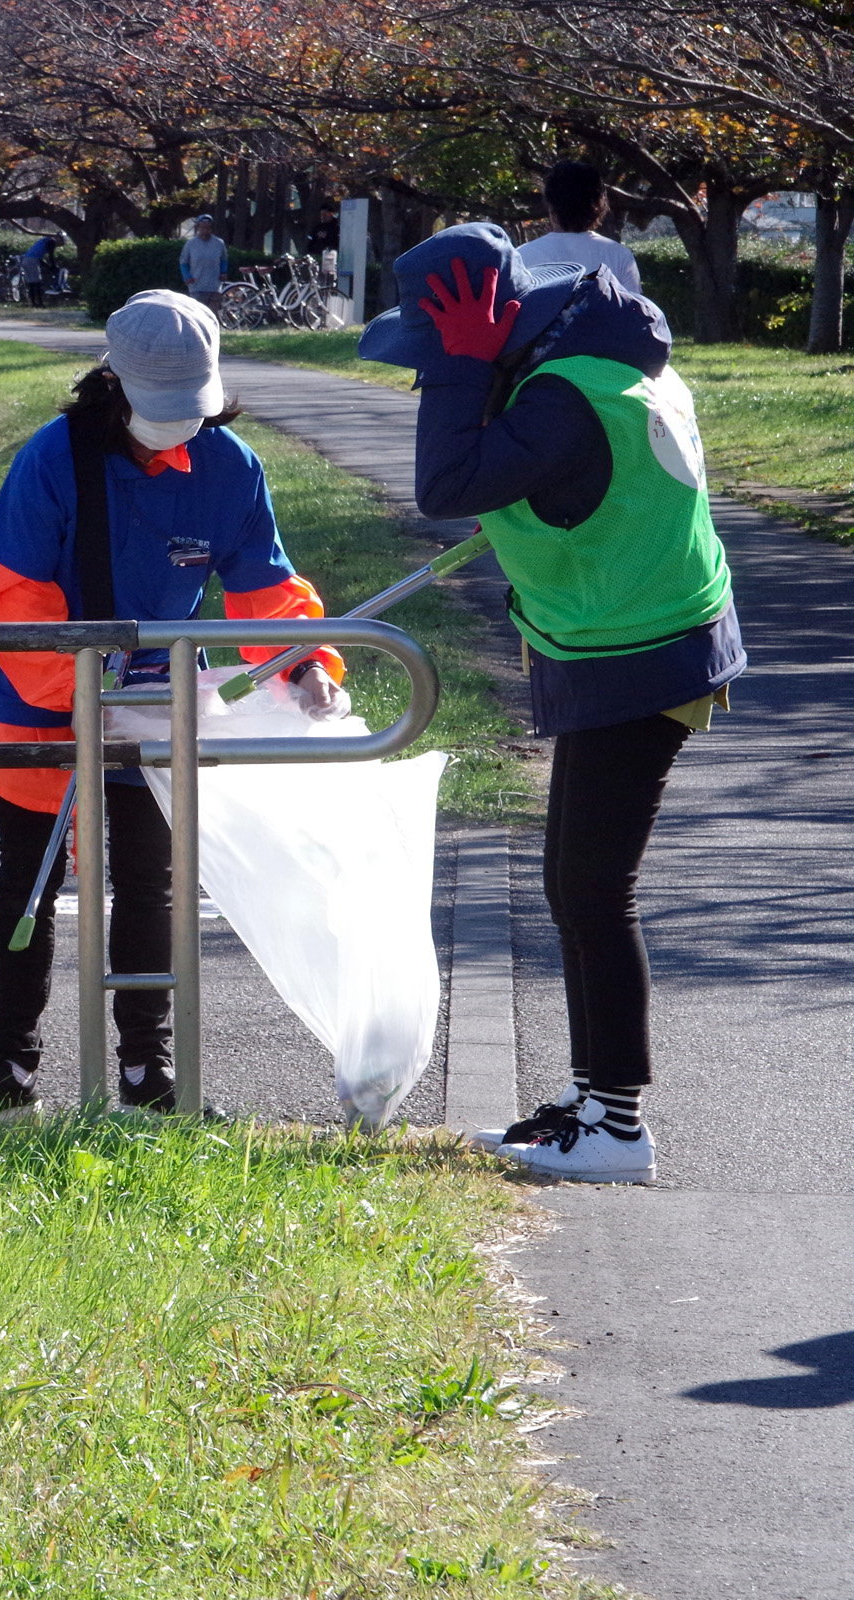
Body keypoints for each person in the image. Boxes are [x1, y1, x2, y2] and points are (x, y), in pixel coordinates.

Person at [362, 222, 740, 1181]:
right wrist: (474, 368)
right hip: (625, 639)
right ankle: (591, 1098)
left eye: (429, 355)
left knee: (592, 891)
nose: (424, 380)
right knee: (572, 886)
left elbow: (445, 483)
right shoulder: (586, 359)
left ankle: (617, 1127)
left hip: (646, 650)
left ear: (490, 331)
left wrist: (462, 369)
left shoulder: (564, 394)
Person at [0, 290, 350, 1113]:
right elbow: (7, 594)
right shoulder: (51, 459)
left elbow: (266, 589)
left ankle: (147, 1069)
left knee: (151, 879)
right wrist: (74, 691)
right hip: (41, 705)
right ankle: (11, 1067)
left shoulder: (230, 466)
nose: (178, 425)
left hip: (157, 705)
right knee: (27, 877)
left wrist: (304, 663)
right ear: (116, 383)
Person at [517, 161, 643, 295]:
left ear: (550, 203)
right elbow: (635, 311)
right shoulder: (619, 256)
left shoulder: (521, 257)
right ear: (598, 204)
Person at [179, 214, 228, 308]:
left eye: (208, 228)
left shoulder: (219, 243)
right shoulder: (190, 244)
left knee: (213, 316)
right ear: (198, 228)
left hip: (214, 287)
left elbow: (223, 260)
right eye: (202, 228)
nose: (205, 231)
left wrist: (223, 272)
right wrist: (186, 276)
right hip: (197, 287)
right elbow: (183, 262)